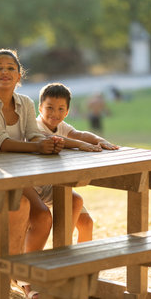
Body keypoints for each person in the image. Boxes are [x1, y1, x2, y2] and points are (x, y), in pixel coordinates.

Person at [0, 49, 64, 299]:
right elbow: (0, 142)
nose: (4, 72)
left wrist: (49, 142)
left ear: (19, 75)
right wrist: (37, 146)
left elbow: (34, 133)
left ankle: (14, 277)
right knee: (28, 209)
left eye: (10, 68)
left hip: (17, 175)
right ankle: (11, 279)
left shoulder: (25, 102)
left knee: (51, 212)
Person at [36, 83, 120, 243]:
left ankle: (83, 266)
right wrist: (79, 145)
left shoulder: (61, 126)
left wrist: (100, 140)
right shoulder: (35, 126)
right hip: (38, 188)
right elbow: (52, 140)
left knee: (86, 223)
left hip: (58, 186)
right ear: (40, 108)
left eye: (61, 109)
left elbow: (78, 134)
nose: (55, 113)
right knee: (73, 202)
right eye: (50, 108)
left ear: (67, 112)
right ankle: (62, 252)